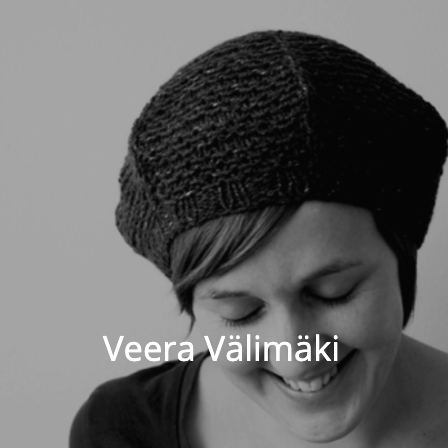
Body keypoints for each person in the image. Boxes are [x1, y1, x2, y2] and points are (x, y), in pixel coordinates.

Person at [70, 30, 448, 447]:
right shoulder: (119, 430)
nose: (296, 358)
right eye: (241, 314)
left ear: (401, 257)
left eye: (334, 293)